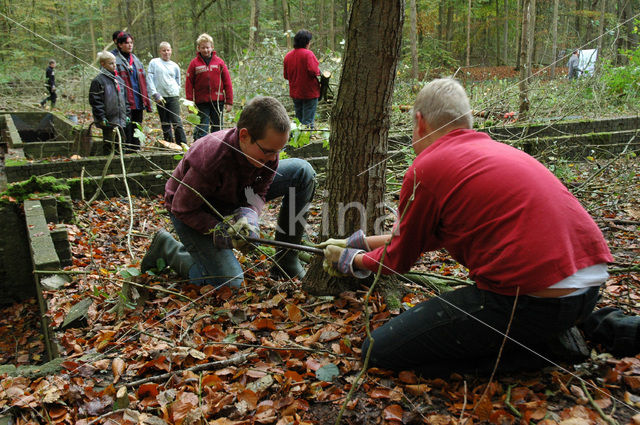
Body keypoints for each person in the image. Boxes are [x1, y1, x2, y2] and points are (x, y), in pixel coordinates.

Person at [322, 78, 613, 376]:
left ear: (420, 122)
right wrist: (359, 242)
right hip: (588, 293)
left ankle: (535, 355)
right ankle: (547, 335)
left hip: (528, 303)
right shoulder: (497, 152)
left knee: (377, 349)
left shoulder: (427, 167)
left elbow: (399, 260)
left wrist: (348, 260)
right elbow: (426, 238)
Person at [141, 96, 316, 288]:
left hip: (232, 197)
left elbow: (259, 192)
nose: (274, 158)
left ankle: (286, 260)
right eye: (268, 151)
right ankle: (169, 249)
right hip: (191, 210)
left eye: (279, 150)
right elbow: (182, 209)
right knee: (230, 282)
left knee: (302, 171)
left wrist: (249, 218)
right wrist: (224, 232)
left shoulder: (267, 154)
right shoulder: (210, 159)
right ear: (244, 136)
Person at [185, 33, 233, 141]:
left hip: (217, 101)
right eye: (203, 48)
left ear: (212, 47)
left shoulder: (219, 62)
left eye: (208, 47)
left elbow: (227, 82)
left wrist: (229, 101)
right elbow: (189, 84)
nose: (206, 50)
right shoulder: (194, 64)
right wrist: (189, 103)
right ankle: (199, 146)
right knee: (203, 126)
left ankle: (216, 148)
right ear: (198, 48)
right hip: (201, 102)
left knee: (218, 128)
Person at [112, 31, 152, 152]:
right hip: (124, 101)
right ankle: (126, 151)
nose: (130, 45)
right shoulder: (114, 60)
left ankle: (136, 150)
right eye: (126, 43)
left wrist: (147, 99)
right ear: (119, 44)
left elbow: (144, 81)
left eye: (131, 43)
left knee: (137, 127)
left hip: (138, 101)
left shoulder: (136, 60)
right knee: (126, 128)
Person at [89, 51, 130, 155]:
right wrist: (101, 117)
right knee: (109, 143)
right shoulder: (98, 81)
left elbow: (125, 99)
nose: (114, 66)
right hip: (108, 120)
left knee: (121, 143)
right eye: (111, 63)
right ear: (103, 64)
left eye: (115, 63)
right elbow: (96, 102)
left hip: (121, 118)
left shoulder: (119, 80)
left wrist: (127, 114)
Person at [147, 42, 187, 145]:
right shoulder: (154, 63)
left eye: (168, 50)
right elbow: (150, 79)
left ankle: (182, 143)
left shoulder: (175, 66)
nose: (166, 52)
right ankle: (169, 143)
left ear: (171, 51)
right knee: (165, 122)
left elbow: (177, 80)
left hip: (173, 96)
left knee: (176, 121)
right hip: (160, 97)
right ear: (160, 51)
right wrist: (154, 93)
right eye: (164, 50)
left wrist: (176, 90)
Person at [283, 30, 321, 128]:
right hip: (310, 92)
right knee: (307, 121)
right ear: (307, 42)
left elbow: (286, 76)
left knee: (298, 121)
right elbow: (315, 71)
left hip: (295, 92)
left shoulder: (288, 56)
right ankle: (306, 142)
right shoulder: (308, 54)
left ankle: (298, 140)